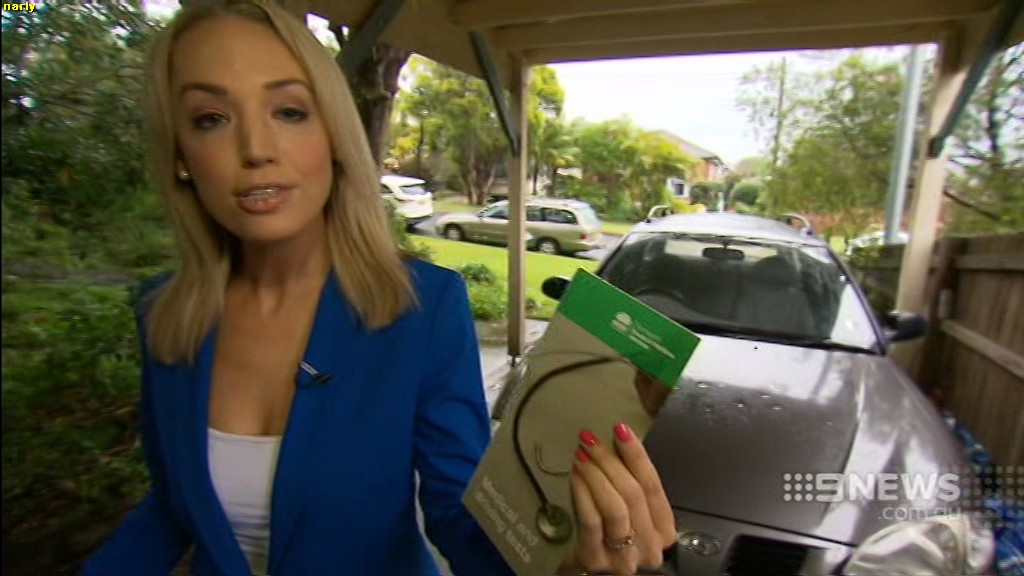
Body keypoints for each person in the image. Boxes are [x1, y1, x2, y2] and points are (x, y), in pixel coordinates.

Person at [82, 1, 678, 574]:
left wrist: (562, 559)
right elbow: (172, 505)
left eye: (288, 111)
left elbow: (461, 518)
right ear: (181, 156)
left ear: (334, 135)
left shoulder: (423, 308)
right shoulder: (163, 312)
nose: (256, 150)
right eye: (211, 119)